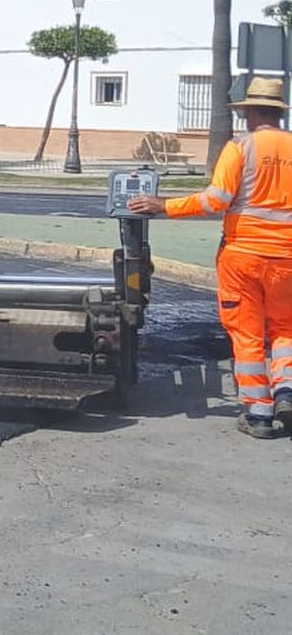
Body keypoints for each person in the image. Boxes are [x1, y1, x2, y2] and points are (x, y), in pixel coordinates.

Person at [128, 73, 292, 438]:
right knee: (285, 330)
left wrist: (163, 206)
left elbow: (215, 201)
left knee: (248, 336)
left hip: (243, 258)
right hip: (288, 260)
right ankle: (287, 390)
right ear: (278, 114)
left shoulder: (240, 148)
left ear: (248, 112)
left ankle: (259, 414)